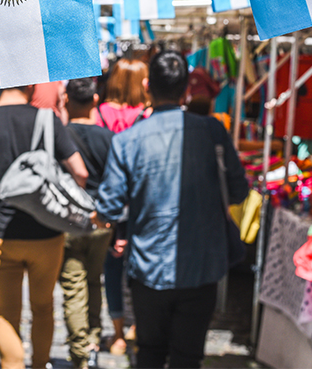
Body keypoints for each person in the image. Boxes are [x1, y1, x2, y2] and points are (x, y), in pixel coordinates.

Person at [95, 50, 249, 369]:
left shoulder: (127, 141)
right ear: (187, 89)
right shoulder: (213, 132)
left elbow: (109, 207)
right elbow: (238, 190)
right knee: (188, 356)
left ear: (148, 85)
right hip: (202, 265)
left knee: (150, 352)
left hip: (149, 267)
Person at [0, 85, 88, 369]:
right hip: (47, 234)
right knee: (43, 308)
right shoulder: (47, 119)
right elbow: (81, 172)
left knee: (7, 313)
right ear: (30, 85)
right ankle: (40, 365)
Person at [94, 57, 150, 356]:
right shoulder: (147, 117)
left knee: (111, 271)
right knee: (141, 269)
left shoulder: (99, 114)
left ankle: (116, 335)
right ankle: (138, 328)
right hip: (141, 205)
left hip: (110, 203)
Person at [59, 78, 114, 369]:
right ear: (95, 101)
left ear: (66, 99)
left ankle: (80, 351)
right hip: (101, 223)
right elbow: (117, 184)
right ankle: (92, 339)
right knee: (94, 281)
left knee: (73, 285)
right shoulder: (108, 138)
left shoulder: (61, 136)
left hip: (68, 222)